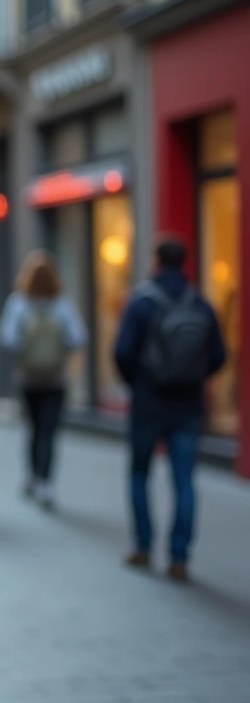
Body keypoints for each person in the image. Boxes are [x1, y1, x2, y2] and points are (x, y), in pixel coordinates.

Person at [114, 234, 225, 583]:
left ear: (156, 262)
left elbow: (122, 352)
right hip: (188, 405)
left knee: (139, 474)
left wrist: (141, 382)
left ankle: (143, 547)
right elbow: (218, 355)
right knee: (185, 481)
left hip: (148, 403)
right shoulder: (201, 304)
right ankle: (179, 557)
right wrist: (192, 378)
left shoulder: (141, 303)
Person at [0, 250, 87, 510]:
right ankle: (45, 482)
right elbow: (78, 338)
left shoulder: (18, 303)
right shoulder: (63, 304)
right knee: (49, 431)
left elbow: (7, 338)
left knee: (34, 430)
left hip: (28, 379)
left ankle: (33, 477)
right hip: (56, 380)